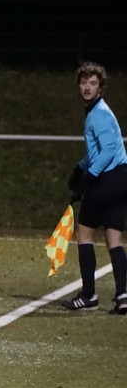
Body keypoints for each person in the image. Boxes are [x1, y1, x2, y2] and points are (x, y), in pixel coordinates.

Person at [61, 61, 127, 314]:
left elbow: (107, 151)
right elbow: (99, 150)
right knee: (114, 239)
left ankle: (89, 295)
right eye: (83, 82)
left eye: (93, 83)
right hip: (121, 178)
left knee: (84, 234)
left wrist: (88, 177)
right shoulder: (99, 111)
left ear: (101, 86)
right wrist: (80, 167)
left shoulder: (98, 114)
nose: (87, 87)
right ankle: (122, 296)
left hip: (108, 179)